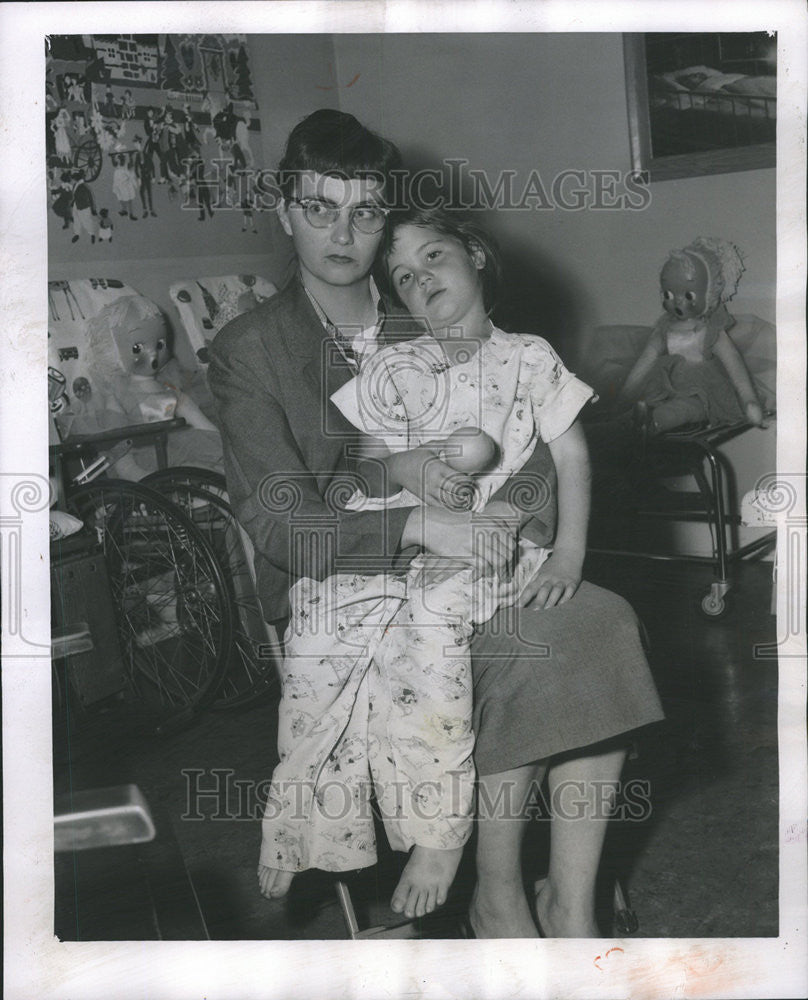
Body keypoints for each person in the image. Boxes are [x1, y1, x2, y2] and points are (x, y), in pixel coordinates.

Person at [208, 109, 664, 937]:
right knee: (534, 651)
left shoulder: (431, 306)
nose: (343, 232)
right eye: (320, 208)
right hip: (339, 587)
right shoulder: (253, 348)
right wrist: (419, 525)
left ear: (389, 221)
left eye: (365, 211)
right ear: (284, 210)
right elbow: (281, 527)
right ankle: (493, 891)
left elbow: (534, 456)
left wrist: (511, 524)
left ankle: (569, 901)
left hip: (471, 563)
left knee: (598, 621)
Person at [256, 204, 598, 915]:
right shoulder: (391, 366)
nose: (420, 280)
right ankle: (303, 821)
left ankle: (441, 832)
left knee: (431, 620)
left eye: (434, 258)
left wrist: (567, 555)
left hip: (483, 542)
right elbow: (366, 477)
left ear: (474, 255)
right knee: (316, 625)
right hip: (400, 533)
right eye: (404, 277)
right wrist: (412, 467)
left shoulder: (529, 357)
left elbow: (571, 459)